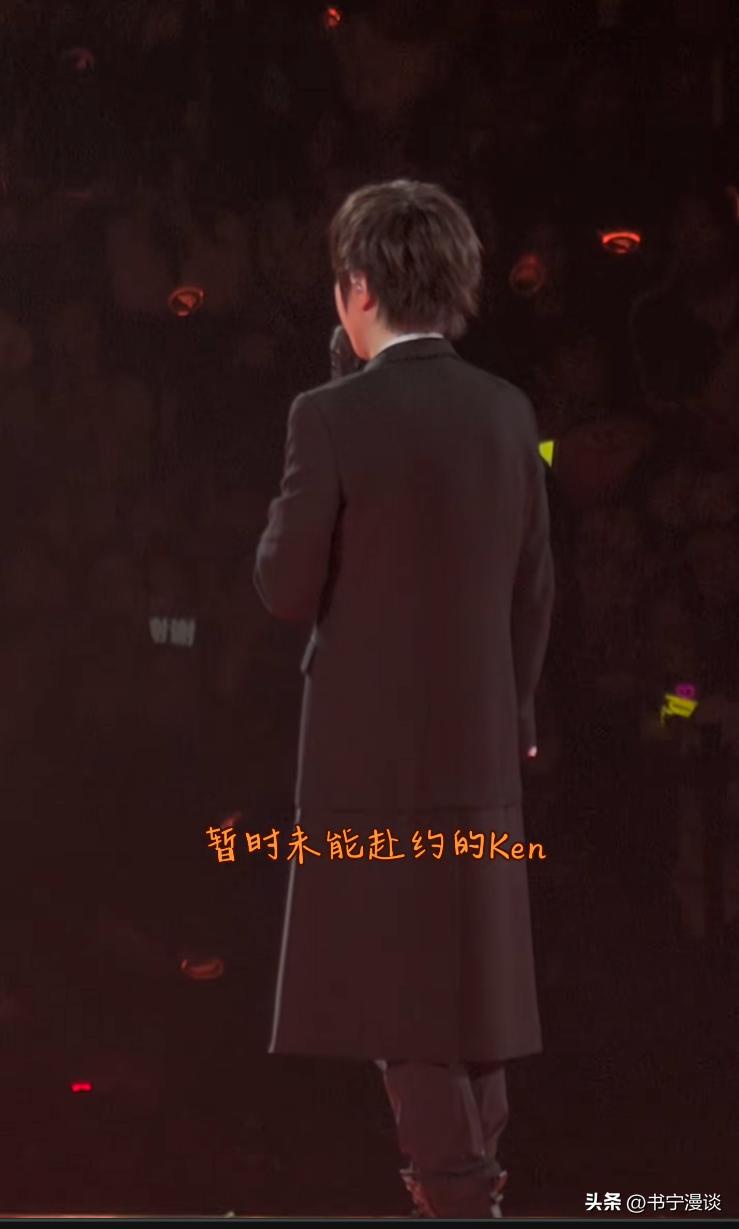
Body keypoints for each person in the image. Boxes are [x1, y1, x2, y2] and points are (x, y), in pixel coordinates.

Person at [253, 179, 554, 1219]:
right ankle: (470, 1189)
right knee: (471, 993)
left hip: (365, 760)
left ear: (358, 286)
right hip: (480, 747)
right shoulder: (507, 410)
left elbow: (283, 586)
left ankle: (460, 1199)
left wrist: (331, 410)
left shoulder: (328, 414)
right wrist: (517, 716)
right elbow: (535, 587)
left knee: (398, 995)